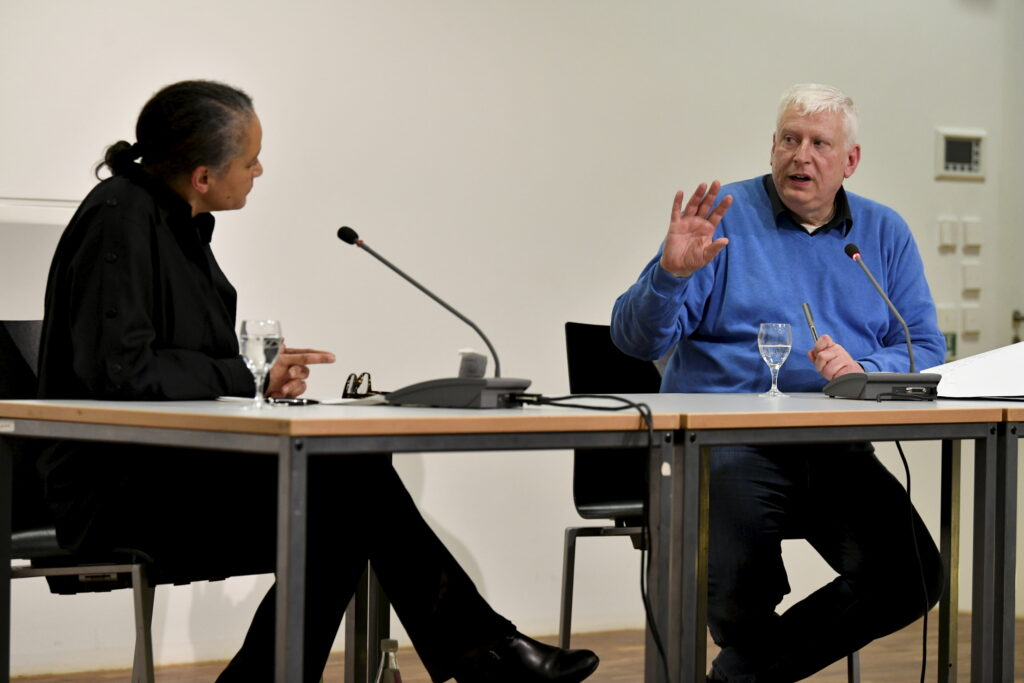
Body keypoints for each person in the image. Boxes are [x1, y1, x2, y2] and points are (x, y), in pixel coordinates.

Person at [36, 79, 599, 683]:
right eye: (249, 160)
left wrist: (259, 381)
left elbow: (177, 367)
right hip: (119, 491)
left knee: (348, 485)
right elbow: (121, 370)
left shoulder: (178, 223)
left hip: (174, 468)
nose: (260, 169)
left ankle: (479, 653)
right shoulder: (119, 218)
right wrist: (242, 374)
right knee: (348, 494)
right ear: (202, 176)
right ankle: (485, 652)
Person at [611, 83, 945, 682]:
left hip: (833, 443)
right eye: (789, 140)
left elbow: (921, 348)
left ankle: (739, 675)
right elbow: (636, 342)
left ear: (850, 161)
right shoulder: (721, 221)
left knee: (911, 575)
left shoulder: (883, 233)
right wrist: (667, 276)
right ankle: (749, 662)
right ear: (771, 148)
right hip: (725, 442)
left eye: (820, 143)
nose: (801, 155)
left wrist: (864, 372)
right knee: (740, 588)